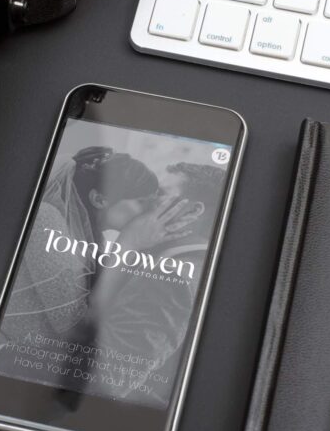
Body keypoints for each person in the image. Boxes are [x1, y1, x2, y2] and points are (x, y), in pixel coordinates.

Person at [85, 162, 226, 406]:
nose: (147, 199)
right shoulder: (169, 255)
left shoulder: (174, 276)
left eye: (160, 193)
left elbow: (108, 378)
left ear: (193, 211)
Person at [0, 146, 160, 340]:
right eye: (142, 202)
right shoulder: (45, 219)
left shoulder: (94, 237)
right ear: (99, 199)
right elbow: (72, 328)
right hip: (14, 357)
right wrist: (128, 244)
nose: (148, 213)